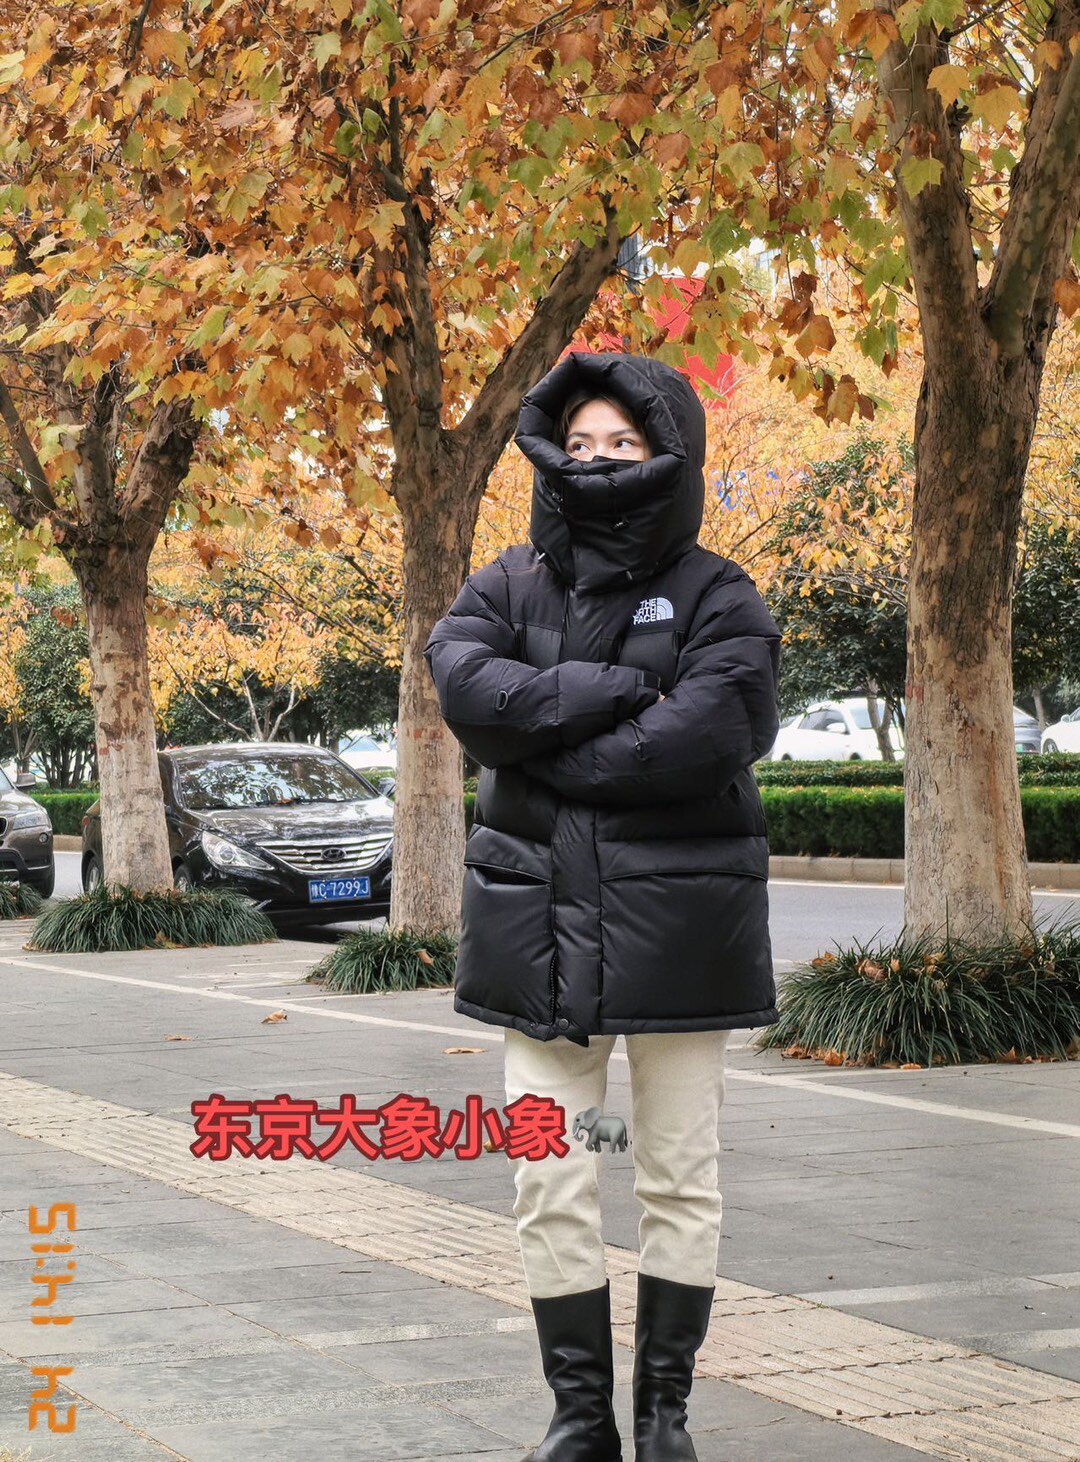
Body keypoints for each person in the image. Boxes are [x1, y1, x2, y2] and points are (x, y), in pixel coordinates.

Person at [423, 351, 782, 1462]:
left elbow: (715, 728)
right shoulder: (506, 584)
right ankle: (579, 1418)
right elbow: (463, 683)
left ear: (667, 451)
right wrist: (611, 690)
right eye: (578, 443)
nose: (596, 461)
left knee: (679, 1176)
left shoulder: (720, 593)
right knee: (547, 1176)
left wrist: (542, 750)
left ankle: (664, 1415)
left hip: (680, 933)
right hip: (533, 936)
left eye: (621, 442)